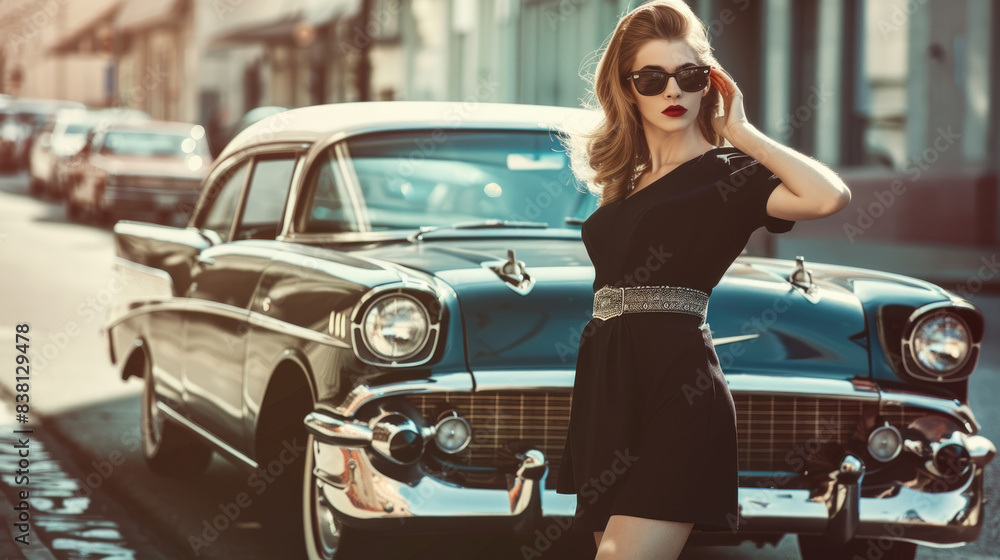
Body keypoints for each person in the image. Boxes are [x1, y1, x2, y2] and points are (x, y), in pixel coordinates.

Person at [553, 1, 851, 558]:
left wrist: (744, 134)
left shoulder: (730, 176)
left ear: (709, 82)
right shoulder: (626, 180)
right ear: (626, 87)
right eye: (653, 78)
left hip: (679, 389)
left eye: (689, 76)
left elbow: (828, 196)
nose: (673, 92)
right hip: (608, 389)